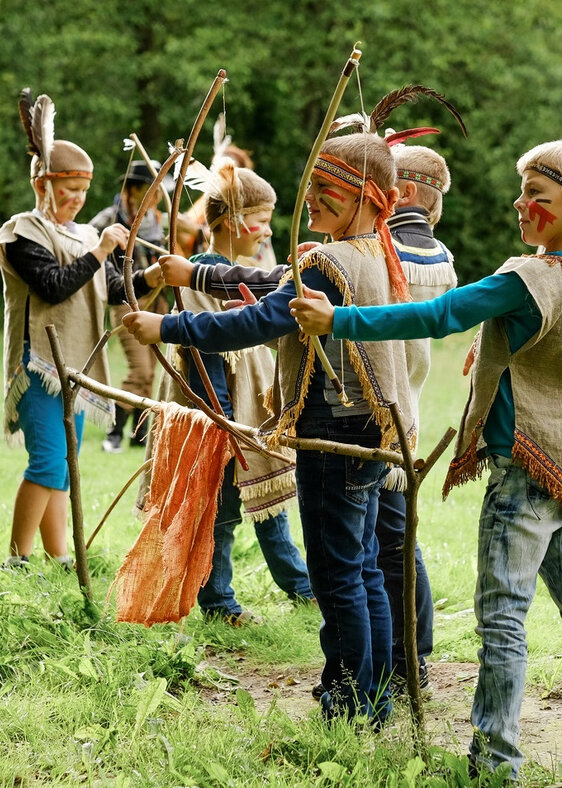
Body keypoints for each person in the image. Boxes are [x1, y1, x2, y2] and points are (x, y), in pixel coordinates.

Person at [290, 131, 562, 777]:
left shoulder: (529, 275)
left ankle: (494, 758)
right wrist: (498, 353)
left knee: (502, 619)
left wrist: (336, 321)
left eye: (534, 194)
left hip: (523, 473)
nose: (519, 203)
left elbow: (437, 313)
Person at [125, 132, 414, 722]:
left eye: (326, 190)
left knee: (339, 579)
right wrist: (196, 277)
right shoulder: (373, 251)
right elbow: (271, 284)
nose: (311, 201)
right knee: (362, 570)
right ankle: (373, 694)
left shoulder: (328, 262)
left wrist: (167, 328)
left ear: (367, 196)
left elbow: (257, 319)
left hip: (332, 432)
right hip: (369, 430)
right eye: (311, 188)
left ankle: (353, 701)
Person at [0, 89, 163, 569]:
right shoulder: (23, 232)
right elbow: (52, 286)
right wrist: (102, 251)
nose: (79, 199)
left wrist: (153, 275)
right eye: (70, 190)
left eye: (85, 191)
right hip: (39, 366)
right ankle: (18, 559)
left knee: (64, 468)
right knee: (46, 464)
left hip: (77, 367)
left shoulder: (85, 232)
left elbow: (108, 290)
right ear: (43, 185)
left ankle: (58, 555)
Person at [157, 160, 314, 625]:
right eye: (261, 221)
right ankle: (219, 603)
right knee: (222, 511)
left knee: (270, 500)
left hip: (249, 405)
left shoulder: (243, 268)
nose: (267, 232)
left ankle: (303, 587)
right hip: (220, 409)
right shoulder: (205, 270)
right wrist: (221, 421)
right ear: (230, 222)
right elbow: (205, 348)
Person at [89, 160, 168, 453]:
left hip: (155, 301)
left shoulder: (156, 220)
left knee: (150, 373)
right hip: (125, 301)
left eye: (158, 190)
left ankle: (140, 434)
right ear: (133, 190)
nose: (156, 195)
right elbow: (86, 246)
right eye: (150, 189)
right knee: (139, 370)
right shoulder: (109, 219)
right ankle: (114, 433)